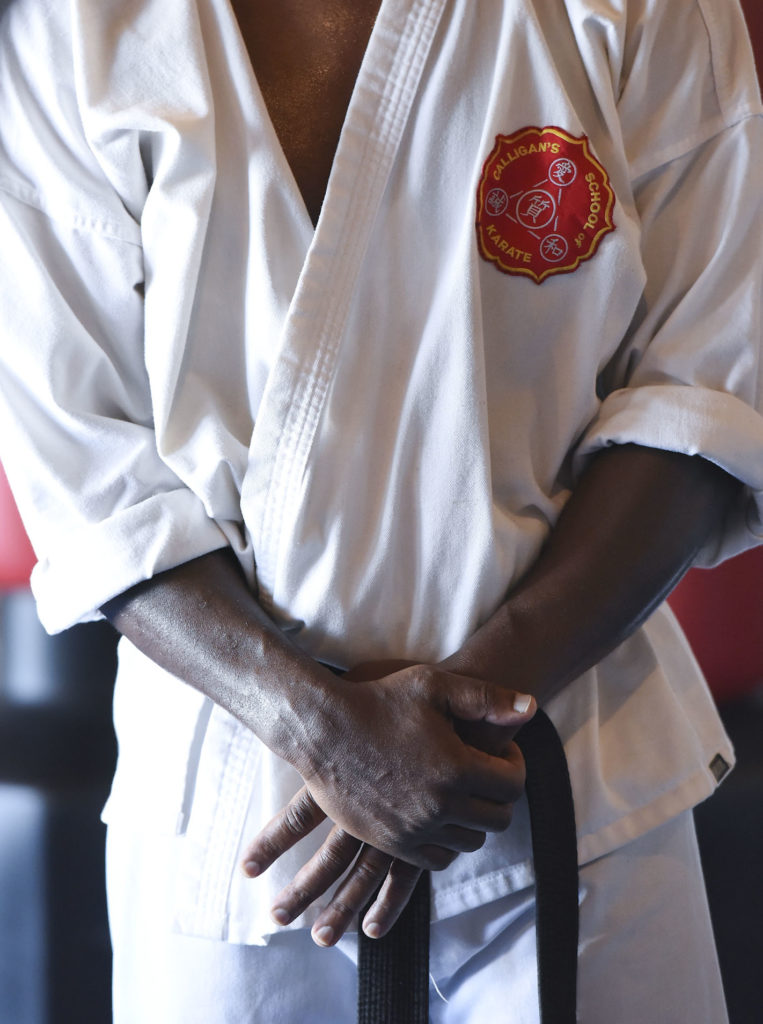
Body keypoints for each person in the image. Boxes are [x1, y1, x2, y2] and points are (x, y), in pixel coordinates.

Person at [1, 0, 762, 1020]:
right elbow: (84, 460)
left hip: (569, 776)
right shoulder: (69, 25)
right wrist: (319, 731)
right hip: (232, 800)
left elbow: (707, 386)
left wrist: (454, 724)